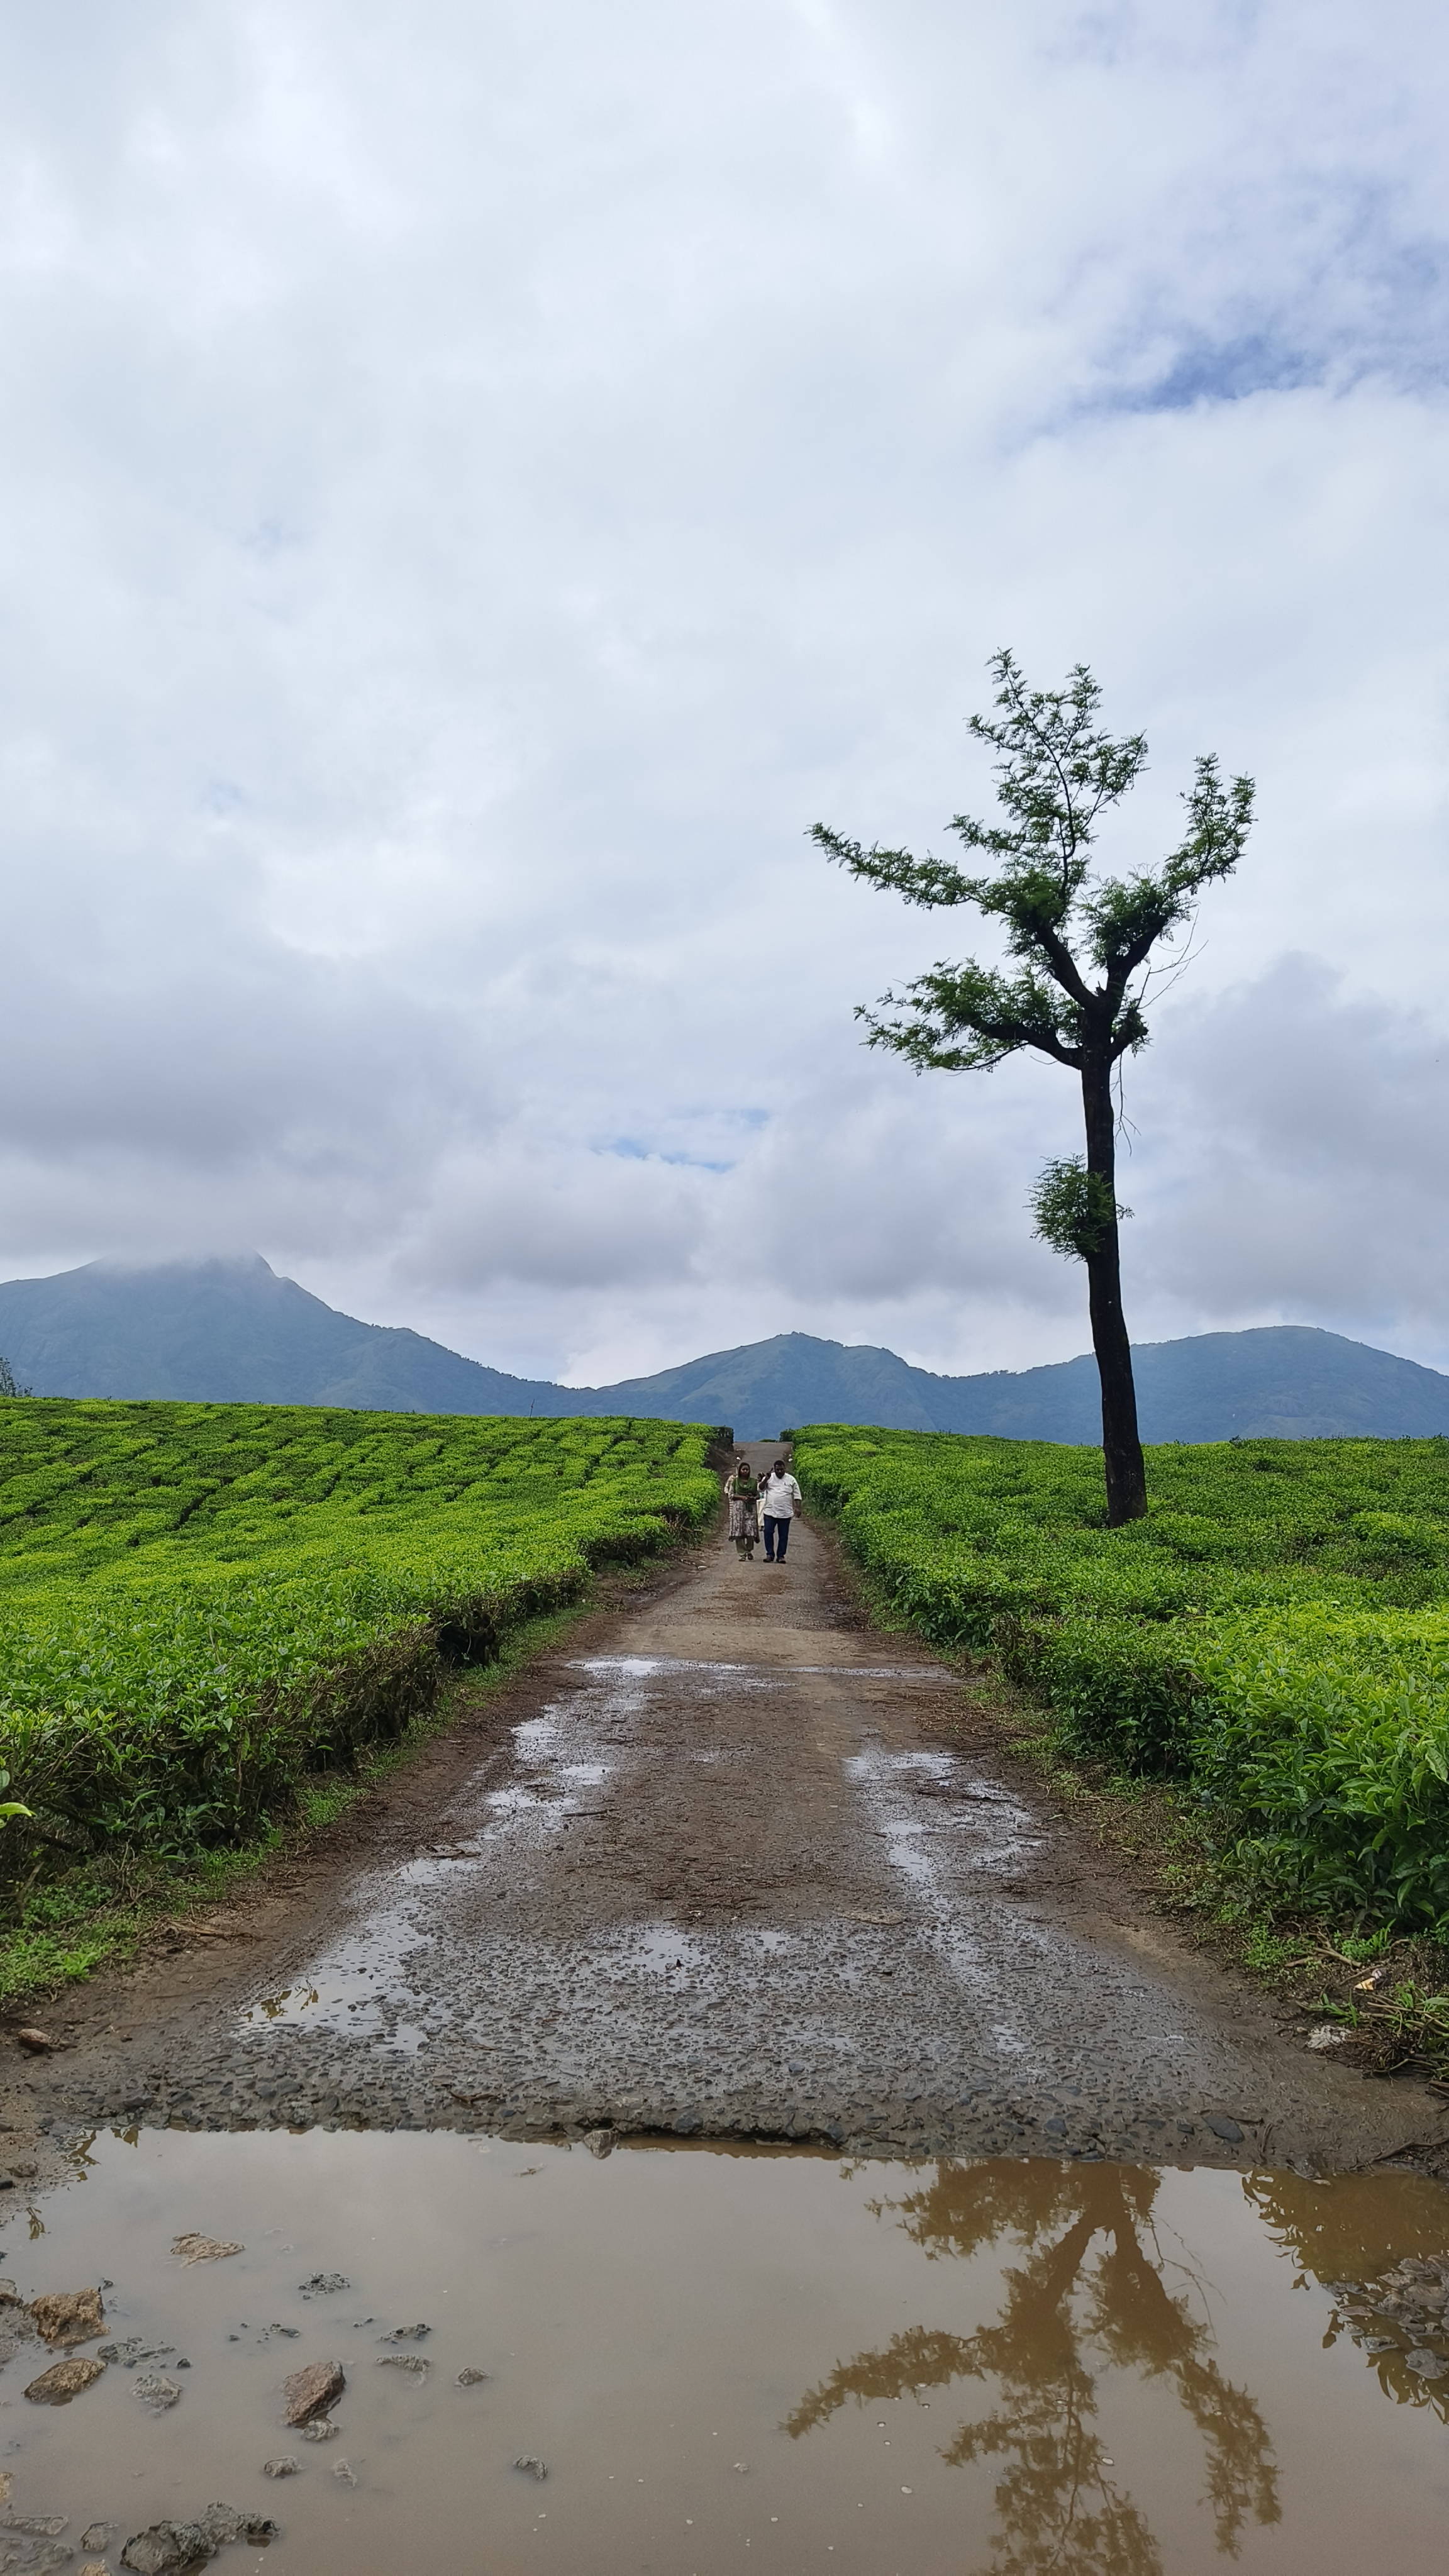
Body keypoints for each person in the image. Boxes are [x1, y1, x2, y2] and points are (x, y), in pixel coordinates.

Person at [759, 1457, 802, 1562]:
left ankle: (781, 1556)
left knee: (783, 1536)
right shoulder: (769, 1478)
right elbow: (760, 1489)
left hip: (785, 1513)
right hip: (770, 1511)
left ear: (785, 1468)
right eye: (777, 1469)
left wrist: (798, 1507)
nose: (779, 1472)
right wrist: (766, 1479)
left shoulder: (791, 1479)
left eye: (781, 1469)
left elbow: (797, 1494)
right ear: (774, 1469)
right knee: (768, 1532)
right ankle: (770, 1554)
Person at [724, 1456, 760, 1560]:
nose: (745, 1471)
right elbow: (731, 1495)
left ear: (749, 1471)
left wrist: (752, 1498)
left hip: (750, 1510)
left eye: (747, 1470)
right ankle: (742, 1554)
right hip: (738, 1510)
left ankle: (749, 1550)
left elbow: (758, 1495)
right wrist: (741, 1497)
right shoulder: (735, 1482)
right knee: (739, 1531)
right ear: (740, 1470)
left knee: (750, 1531)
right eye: (743, 1469)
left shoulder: (753, 1482)